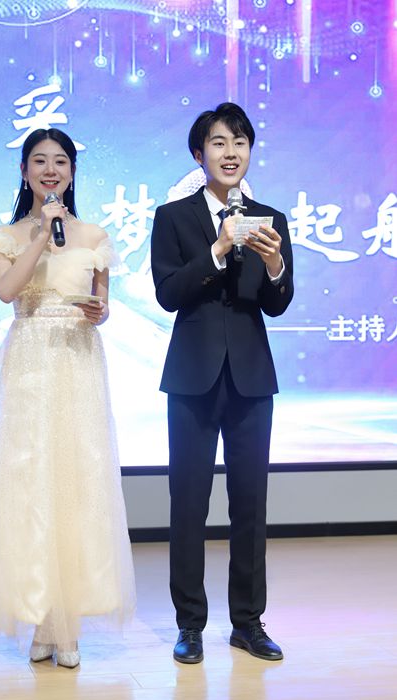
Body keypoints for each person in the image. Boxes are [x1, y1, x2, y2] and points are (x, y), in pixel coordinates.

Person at [0, 128, 136, 668]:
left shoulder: (94, 236)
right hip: (31, 369)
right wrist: (41, 233)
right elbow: (7, 291)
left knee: (78, 484)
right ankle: (39, 617)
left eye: (60, 161)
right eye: (39, 161)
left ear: (72, 172)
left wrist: (99, 311)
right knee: (31, 485)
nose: (50, 170)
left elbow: (102, 303)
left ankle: (68, 624)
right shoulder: (6, 236)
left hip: (78, 364)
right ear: (24, 172)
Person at [150, 102, 294, 664]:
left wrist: (276, 265)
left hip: (251, 380)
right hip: (192, 378)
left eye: (239, 142)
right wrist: (217, 249)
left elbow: (277, 304)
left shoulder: (270, 219)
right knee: (188, 503)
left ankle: (248, 622)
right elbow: (168, 294)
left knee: (250, 504)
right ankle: (189, 624)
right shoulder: (174, 218)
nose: (230, 153)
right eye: (218, 143)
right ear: (199, 154)